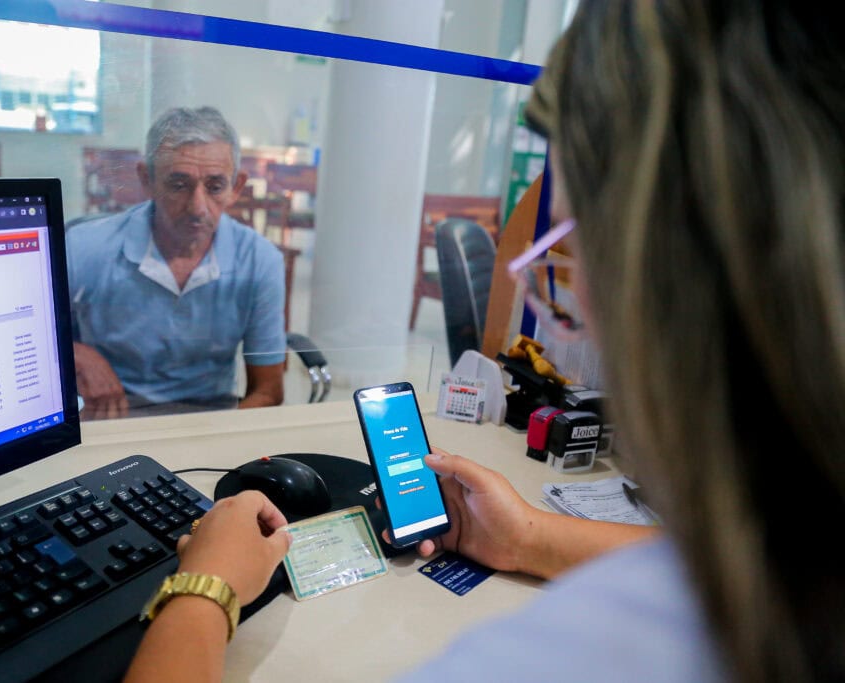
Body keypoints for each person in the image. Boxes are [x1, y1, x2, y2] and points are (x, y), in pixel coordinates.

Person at [124, 2, 845, 682]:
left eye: (569, 264)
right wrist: (526, 535)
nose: (563, 323)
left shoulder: (576, 654)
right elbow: (723, 566)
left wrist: (206, 586)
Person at [67, 106, 287, 420]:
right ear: (147, 180)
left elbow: (267, 391)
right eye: (179, 185)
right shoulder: (86, 247)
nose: (198, 208)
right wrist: (77, 353)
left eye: (215, 187)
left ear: (236, 187)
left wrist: (213, 435)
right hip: (109, 416)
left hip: (209, 418)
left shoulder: (259, 260)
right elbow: (28, 338)